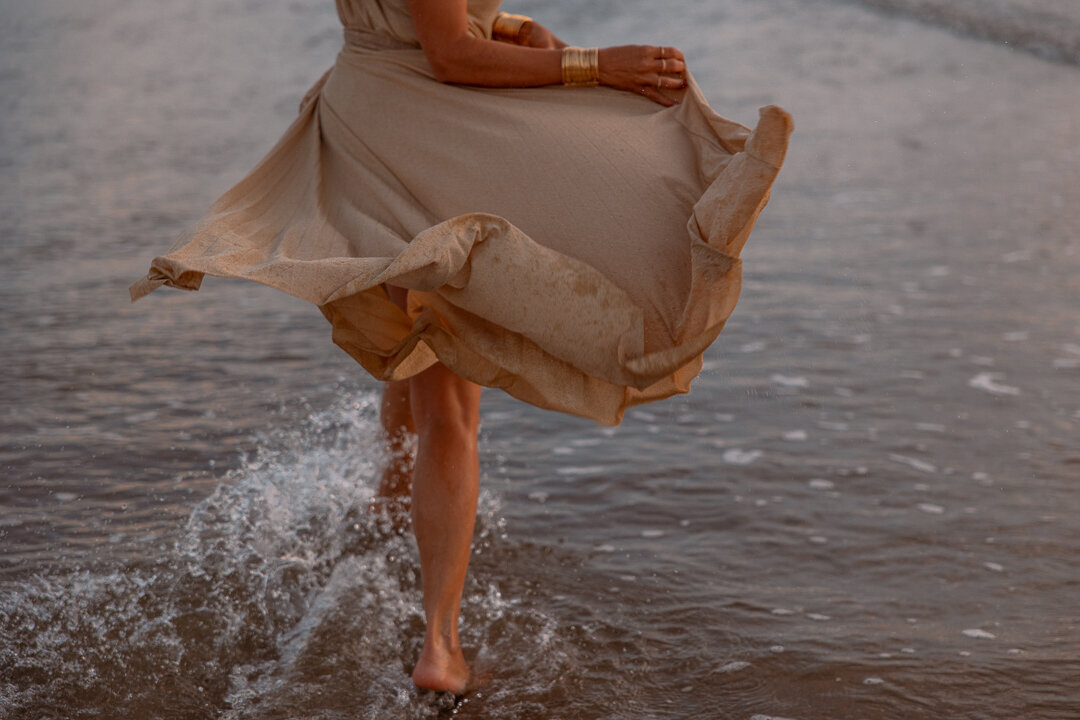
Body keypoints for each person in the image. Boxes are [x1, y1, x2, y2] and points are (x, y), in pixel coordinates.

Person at [130, 0, 791, 695]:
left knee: (420, 347)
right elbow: (448, 53)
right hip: (421, 140)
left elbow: (425, 20)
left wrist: (511, 29)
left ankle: (387, 515)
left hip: (376, 123)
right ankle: (441, 647)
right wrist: (593, 64)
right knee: (451, 401)